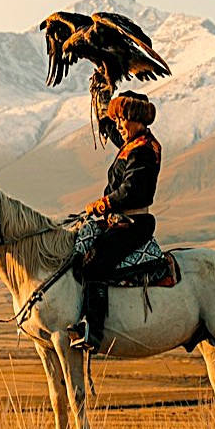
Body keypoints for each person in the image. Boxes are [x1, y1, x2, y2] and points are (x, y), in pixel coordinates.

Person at [68, 90, 161, 351]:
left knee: (95, 262)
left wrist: (103, 203)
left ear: (137, 118)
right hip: (117, 222)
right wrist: (102, 96)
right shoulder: (130, 144)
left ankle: (93, 330)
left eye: (122, 119)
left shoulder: (143, 150)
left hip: (133, 224)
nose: (118, 125)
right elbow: (107, 126)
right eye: (117, 120)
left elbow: (130, 190)